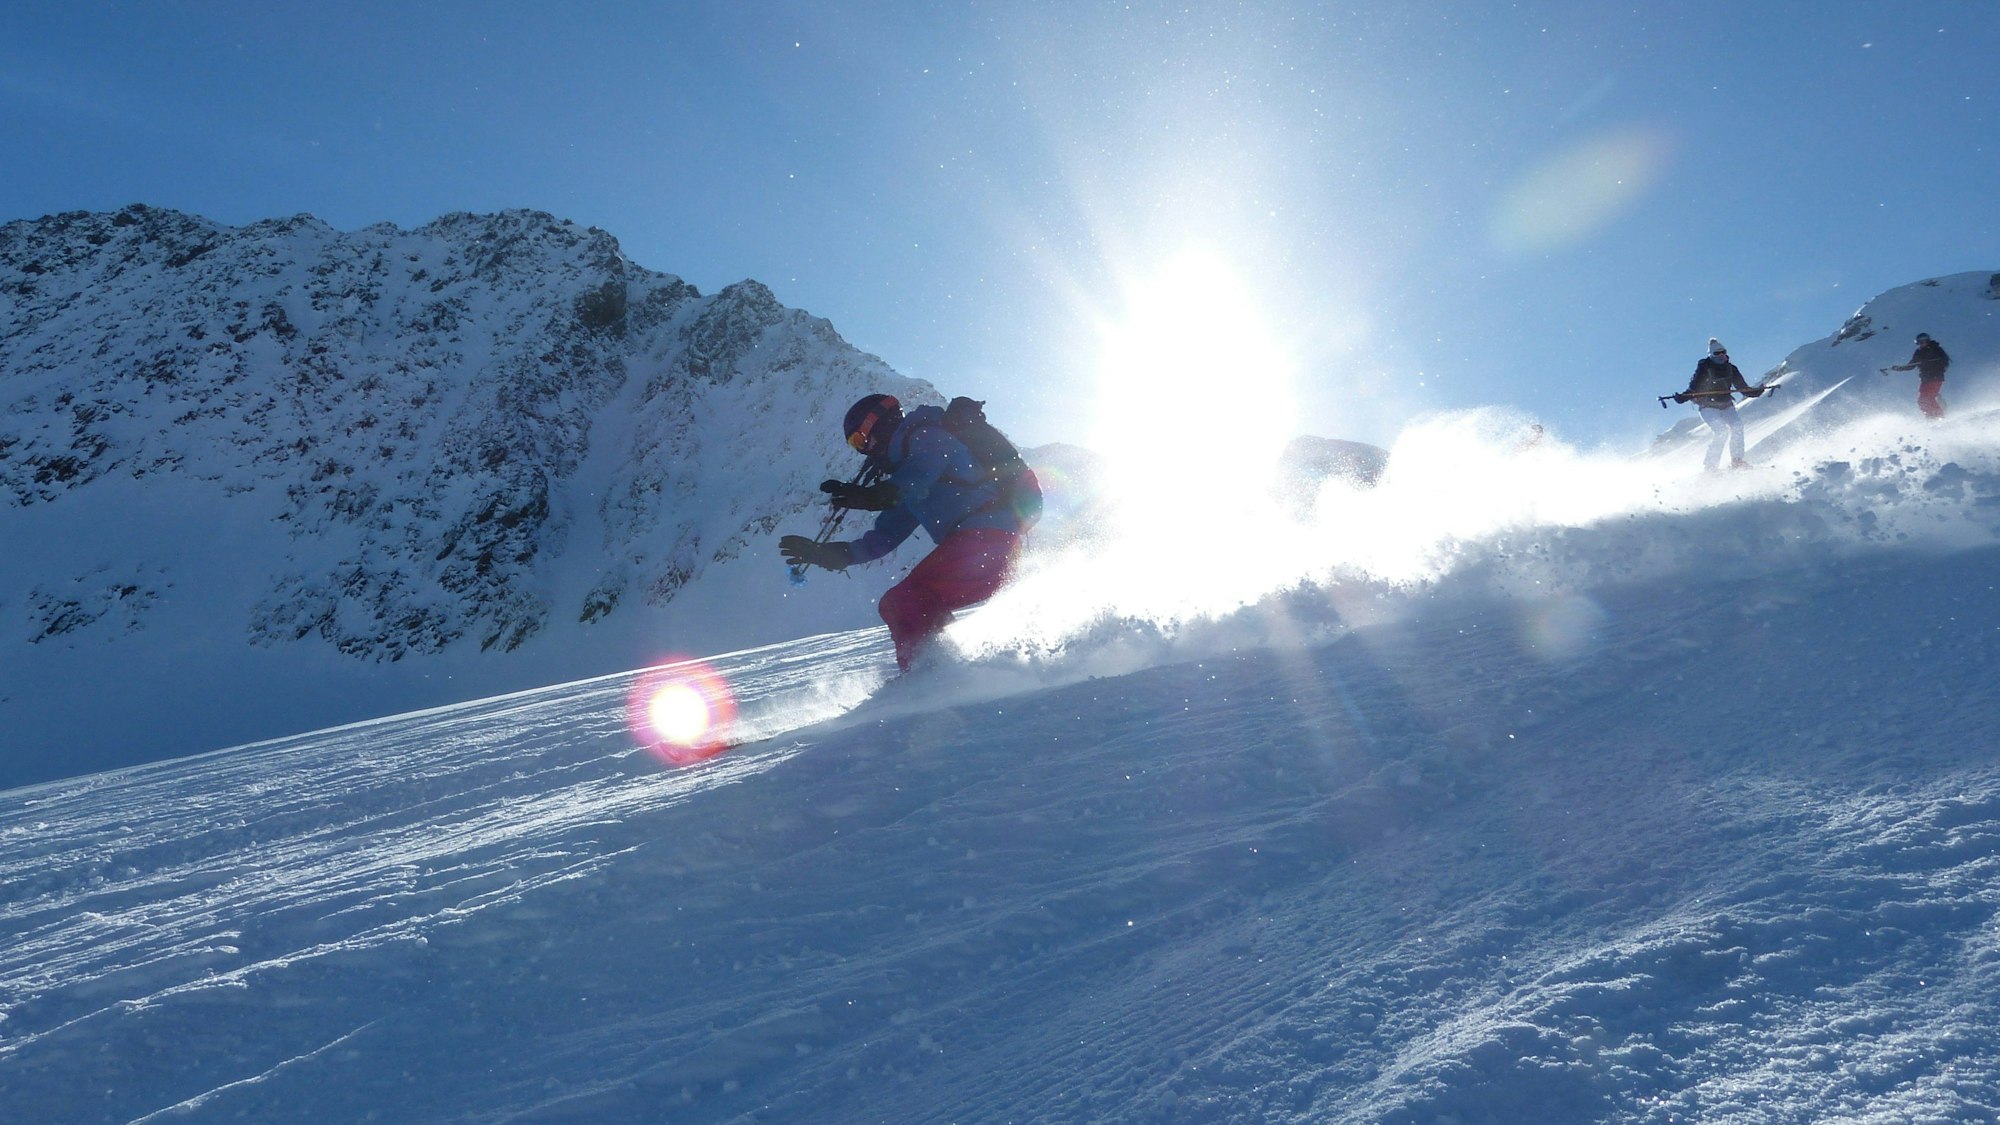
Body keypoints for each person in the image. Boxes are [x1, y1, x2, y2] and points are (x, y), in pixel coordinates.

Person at [779, 394, 1032, 671]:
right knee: (919, 602)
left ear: (879, 422)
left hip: (988, 541)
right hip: (987, 552)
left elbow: (916, 477)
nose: (864, 450)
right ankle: (954, 670)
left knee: (904, 601)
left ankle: (929, 676)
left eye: (861, 439)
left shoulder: (926, 435)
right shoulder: (909, 472)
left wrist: (871, 497)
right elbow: (884, 536)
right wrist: (835, 554)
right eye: (855, 445)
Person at [1674, 338, 1766, 470]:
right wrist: (1683, 397)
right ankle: (1710, 466)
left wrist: (1756, 392)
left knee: (1737, 426)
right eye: (1717, 353)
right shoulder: (1705, 367)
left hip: (1726, 404)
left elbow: (1743, 388)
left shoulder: (1731, 368)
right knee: (1721, 431)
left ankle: (1737, 460)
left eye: (1723, 352)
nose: (1721, 355)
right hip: (1708, 406)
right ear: (1711, 355)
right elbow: (1693, 386)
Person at [1884, 332, 1950, 420]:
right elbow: (1911, 365)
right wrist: (1898, 368)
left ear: (1927, 341)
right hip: (1925, 379)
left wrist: (1931, 362)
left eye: (1922, 342)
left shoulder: (1935, 349)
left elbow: (1945, 362)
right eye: (1918, 342)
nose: (1920, 344)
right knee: (1921, 401)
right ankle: (1930, 417)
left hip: (1935, 377)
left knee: (1928, 398)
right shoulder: (1918, 352)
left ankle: (1939, 416)